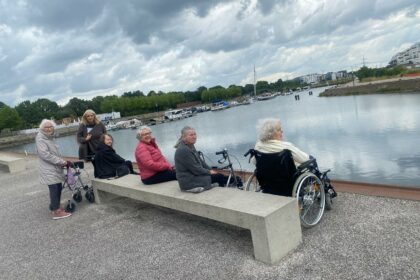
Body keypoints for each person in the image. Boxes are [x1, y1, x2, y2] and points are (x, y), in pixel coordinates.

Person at [174, 126, 231, 193]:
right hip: (189, 181)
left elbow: (201, 162)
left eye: (195, 134)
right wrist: (209, 172)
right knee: (219, 177)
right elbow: (195, 169)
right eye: (191, 135)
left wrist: (210, 170)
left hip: (194, 176)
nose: (194, 137)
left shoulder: (190, 145)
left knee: (220, 176)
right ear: (184, 137)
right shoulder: (184, 150)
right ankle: (223, 194)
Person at [36, 119, 71, 220]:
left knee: (58, 187)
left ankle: (53, 206)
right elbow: (45, 154)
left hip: (54, 167)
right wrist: (61, 162)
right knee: (55, 188)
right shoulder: (41, 138)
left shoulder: (50, 137)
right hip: (48, 169)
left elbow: (54, 152)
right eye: (46, 127)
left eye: (51, 126)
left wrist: (61, 161)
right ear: (42, 128)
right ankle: (57, 212)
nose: (49, 129)